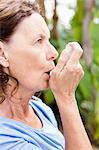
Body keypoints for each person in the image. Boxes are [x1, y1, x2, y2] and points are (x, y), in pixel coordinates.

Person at [0, 0, 92, 150]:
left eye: (48, 40)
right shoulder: (5, 139)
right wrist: (66, 97)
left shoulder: (40, 109)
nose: (54, 53)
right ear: (2, 54)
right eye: (38, 41)